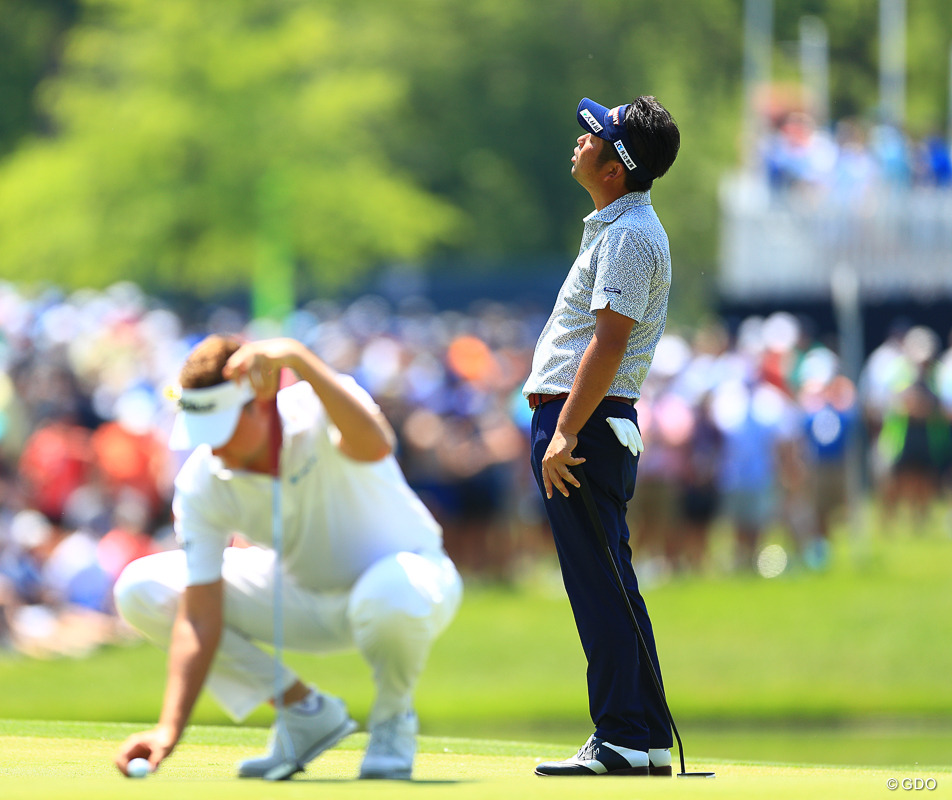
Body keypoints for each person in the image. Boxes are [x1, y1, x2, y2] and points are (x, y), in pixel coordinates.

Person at [112, 335, 462, 780]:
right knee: (140, 589)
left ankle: (393, 721)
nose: (214, 448)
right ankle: (303, 711)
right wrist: (169, 728)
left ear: (258, 402)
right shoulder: (204, 478)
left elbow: (375, 446)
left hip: (413, 579)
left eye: (222, 430)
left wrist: (299, 358)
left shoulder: (322, 403)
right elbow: (199, 618)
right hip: (301, 595)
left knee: (388, 596)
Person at [523, 95, 680, 776]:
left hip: (584, 422)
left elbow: (609, 343)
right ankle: (641, 735)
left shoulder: (627, 235)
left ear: (616, 167)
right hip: (591, 421)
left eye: (594, 138)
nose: (580, 140)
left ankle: (619, 733)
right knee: (611, 580)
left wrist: (565, 431)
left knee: (597, 583)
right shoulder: (622, 225)